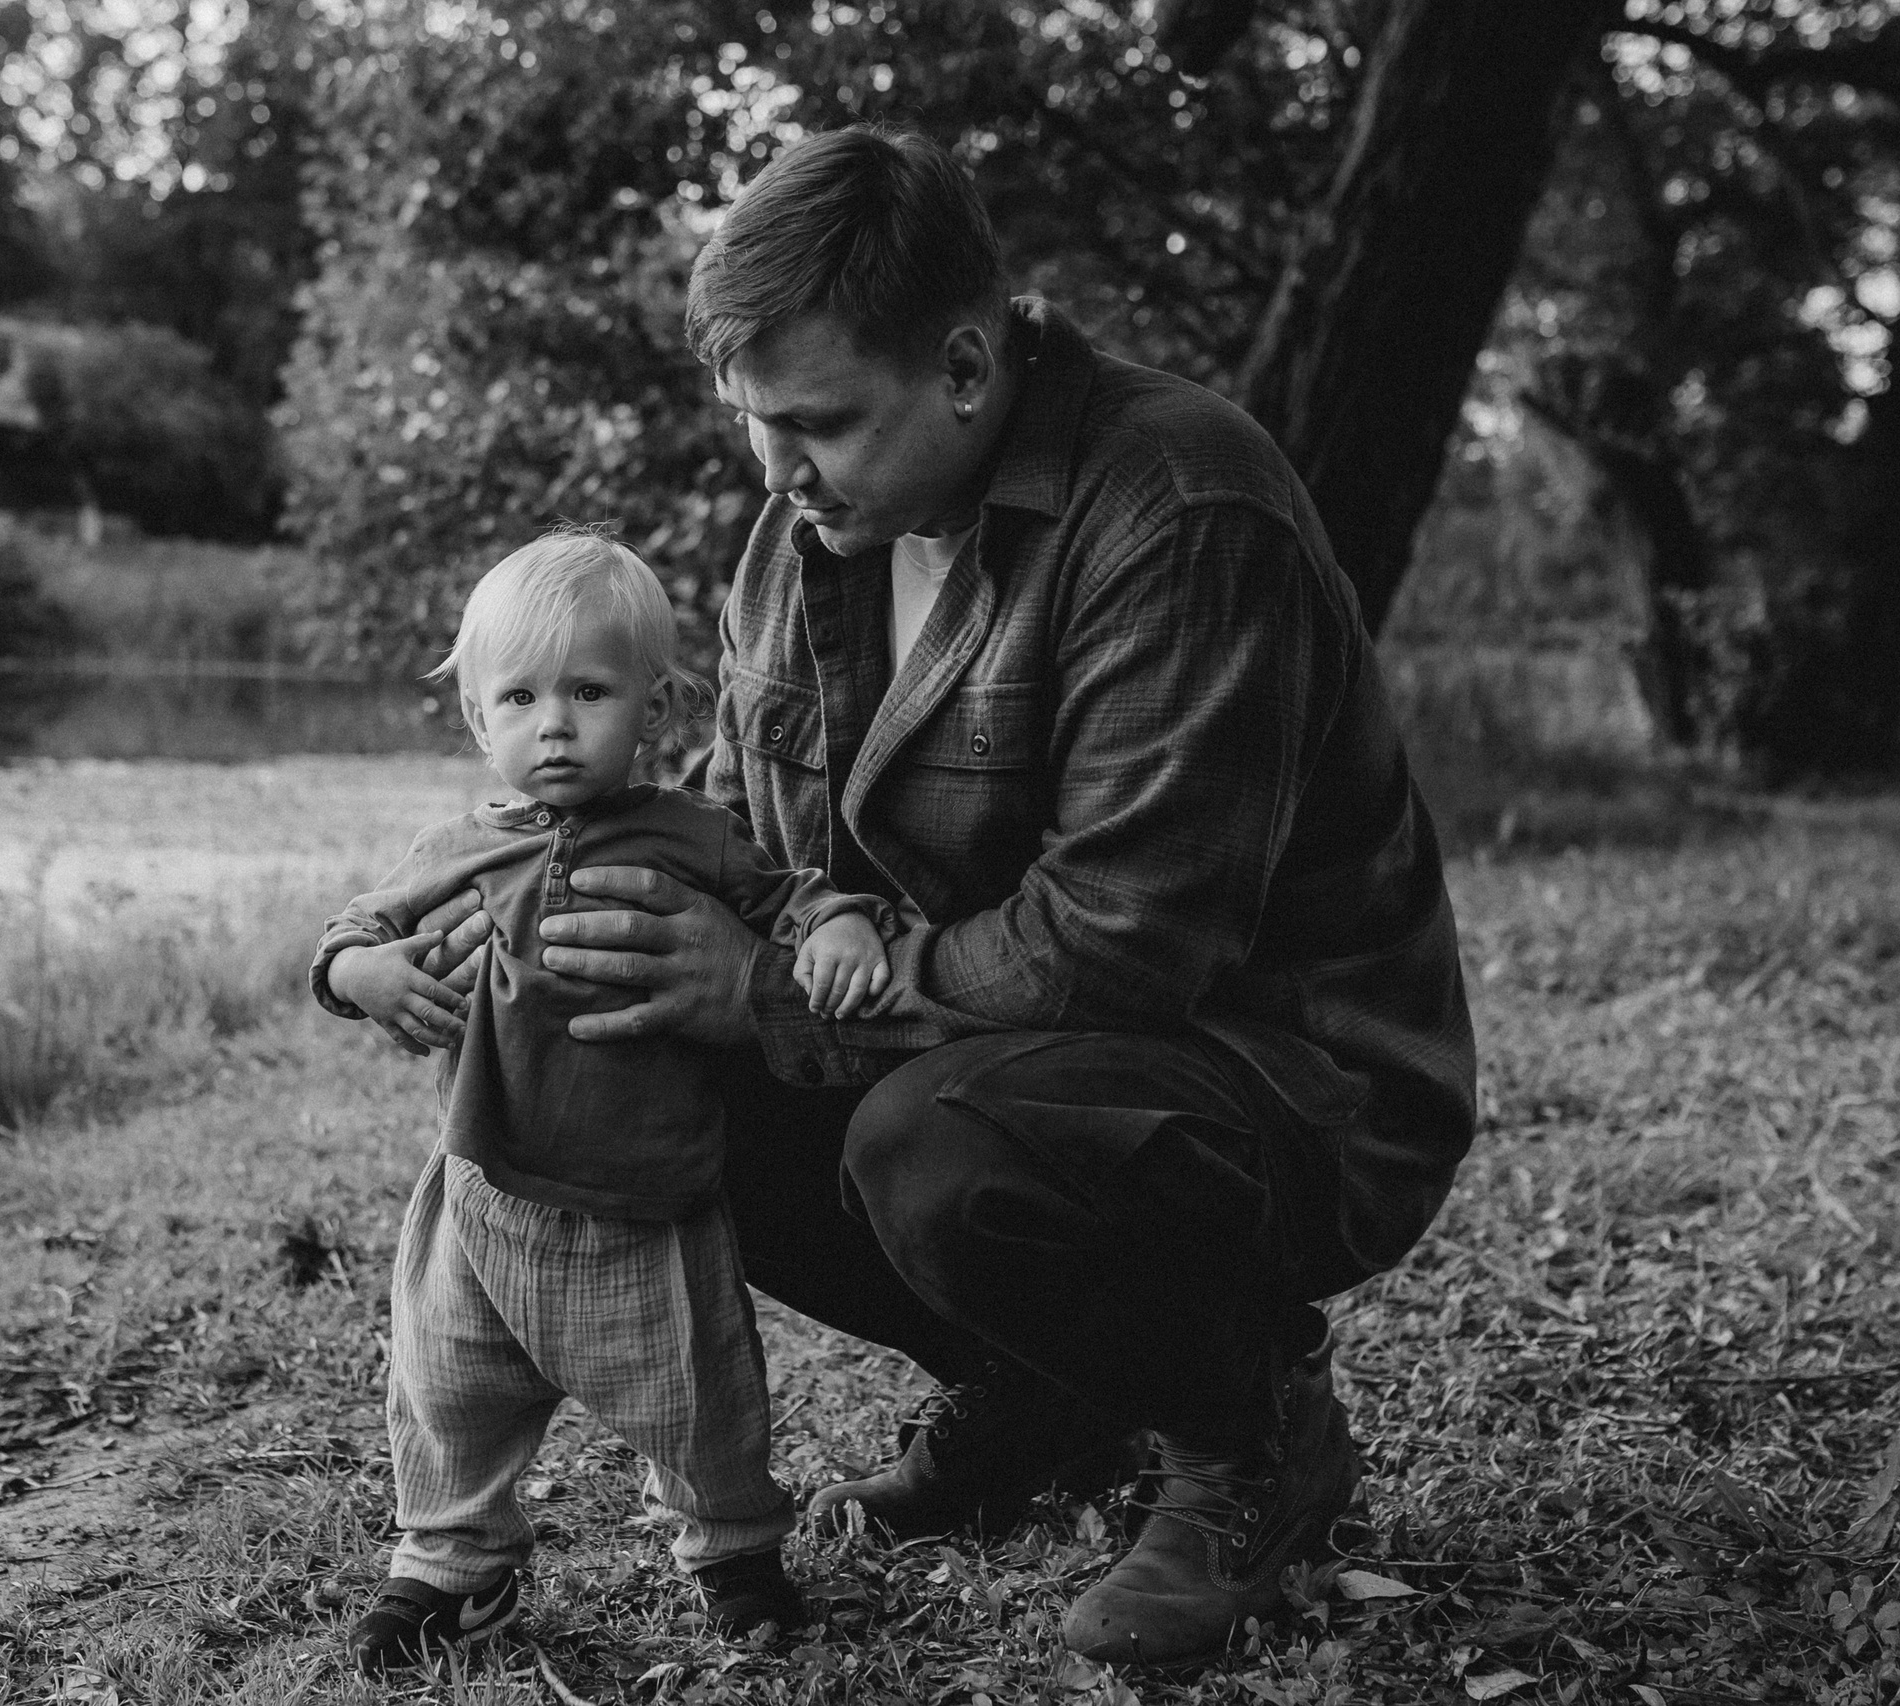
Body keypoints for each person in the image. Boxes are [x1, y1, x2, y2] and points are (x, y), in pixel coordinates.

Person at [446, 127, 1481, 1666]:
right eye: (754, 426)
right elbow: (741, 832)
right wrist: (545, 929)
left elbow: (1127, 943)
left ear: (971, 363)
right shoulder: (809, 535)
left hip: (1286, 1087)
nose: (779, 469)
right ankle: (1052, 1389)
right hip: (986, 1049)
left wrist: (770, 986)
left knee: (934, 1142)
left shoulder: (1184, 508)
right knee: (648, 1059)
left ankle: (1250, 1434)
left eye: (820, 422)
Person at [311, 528, 897, 1674]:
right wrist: (363, 974)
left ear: (657, 705)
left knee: (696, 1392)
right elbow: (352, 930)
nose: (556, 722)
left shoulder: (691, 836)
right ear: (479, 721)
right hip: (480, 1184)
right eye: (519, 696)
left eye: (589, 690)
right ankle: (451, 1563)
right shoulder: (454, 847)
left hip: (649, 1193)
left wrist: (834, 927)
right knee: (449, 1386)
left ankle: (734, 1551)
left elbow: (790, 896)